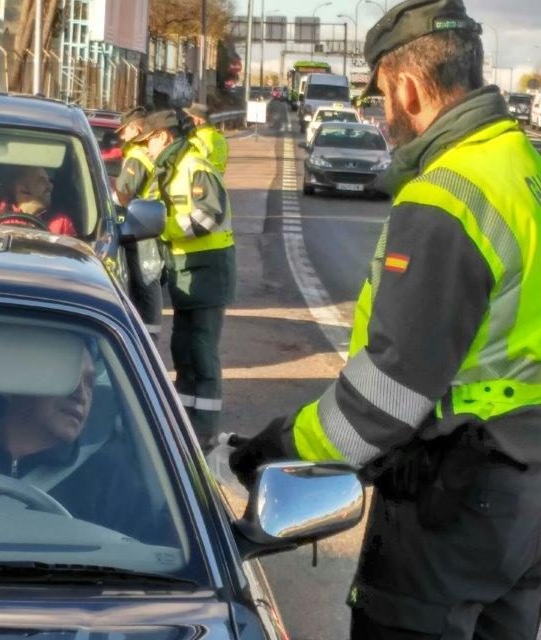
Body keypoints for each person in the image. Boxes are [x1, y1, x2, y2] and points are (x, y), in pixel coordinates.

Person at [229, 0, 541, 638]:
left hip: (454, 499)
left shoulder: (448, 192)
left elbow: (390, 395)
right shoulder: (524, 169)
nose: (379, 112)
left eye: (379, 96)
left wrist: (280, 453)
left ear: (406, 85)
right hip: (524, 495)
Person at [0, 346, 155, 542]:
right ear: (14, 382)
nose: (81, 396)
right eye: (66, 379)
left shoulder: (113, 483)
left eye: (90, 383)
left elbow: (151, 561)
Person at [138, 110, 236, 452]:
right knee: (182, 349)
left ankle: (204, 432)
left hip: (207, 269)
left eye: (148, 140)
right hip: (184, 268)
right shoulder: (169, 169)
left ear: (164, 137)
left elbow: (209, 215)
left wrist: (164, 228)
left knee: (201, 352)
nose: (146, 148)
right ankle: (182, 424)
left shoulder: (195, 166)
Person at [114, 105, 164, 342]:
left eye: (125, 131)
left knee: (145, 278)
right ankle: (149, 330)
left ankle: (147, 333)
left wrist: (112, 202)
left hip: (141, 224)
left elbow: (124, 191)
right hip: (152, 219)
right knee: (148, 277)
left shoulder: (137, 155)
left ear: (136, 127)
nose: (123, 137)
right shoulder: (149, 152)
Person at [0, 166, 77, 236]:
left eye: (49, 181)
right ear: (23, 189)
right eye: (41, 181)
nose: (50, 186)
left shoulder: (61, 223)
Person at [183, 103, 229, 174]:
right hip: (218, 179)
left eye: (189, 118)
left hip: (200, 180)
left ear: (196, 120)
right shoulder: (221, 138)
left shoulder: (196, 140)